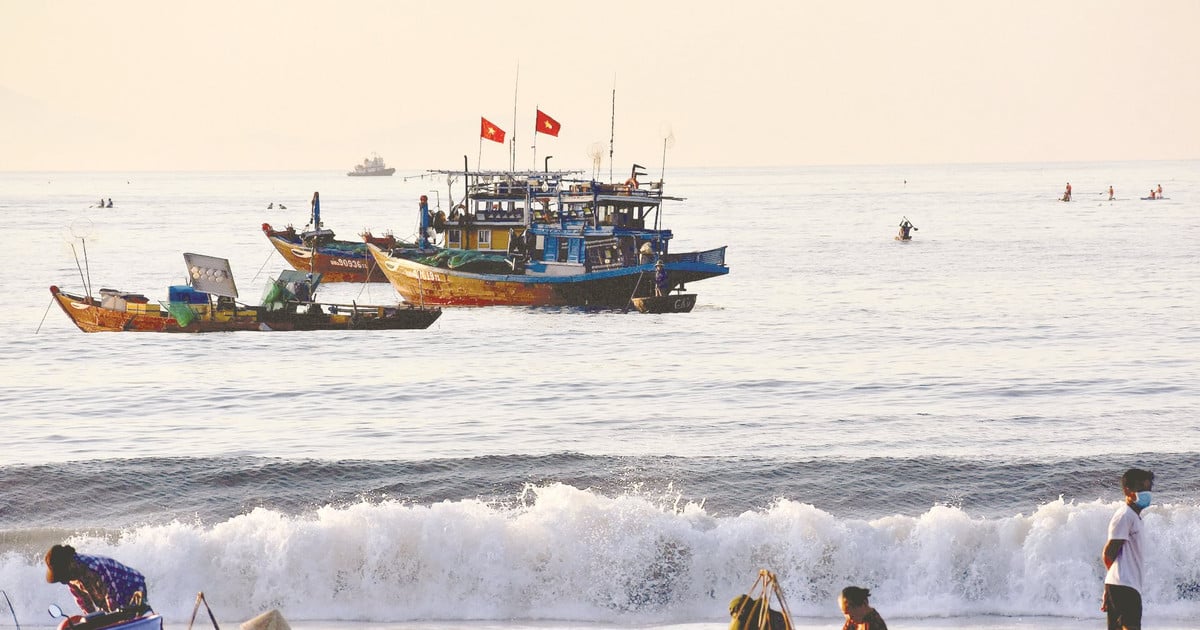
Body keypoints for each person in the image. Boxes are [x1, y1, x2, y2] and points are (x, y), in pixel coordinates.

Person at [1102, 468, 1155, 630]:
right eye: (1141, 489)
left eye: (1148, 489)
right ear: (1127, 490)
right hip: (1124, 586)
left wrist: (1109, 588)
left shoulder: (1135, 517)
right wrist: (1113, 585)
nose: (1146, 494)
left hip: (1123, 586)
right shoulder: (1125, 515)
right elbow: (1109, 553)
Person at [44, 544, 148, 615]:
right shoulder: (70, 577)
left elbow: (111, 596)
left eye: (63, 575)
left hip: (132, 585)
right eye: (61, 578)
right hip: (110, 593)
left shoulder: (93, 568)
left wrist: (115, 618)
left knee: (126, 617)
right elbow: (85, 604)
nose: (64, 581)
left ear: (70, 564)